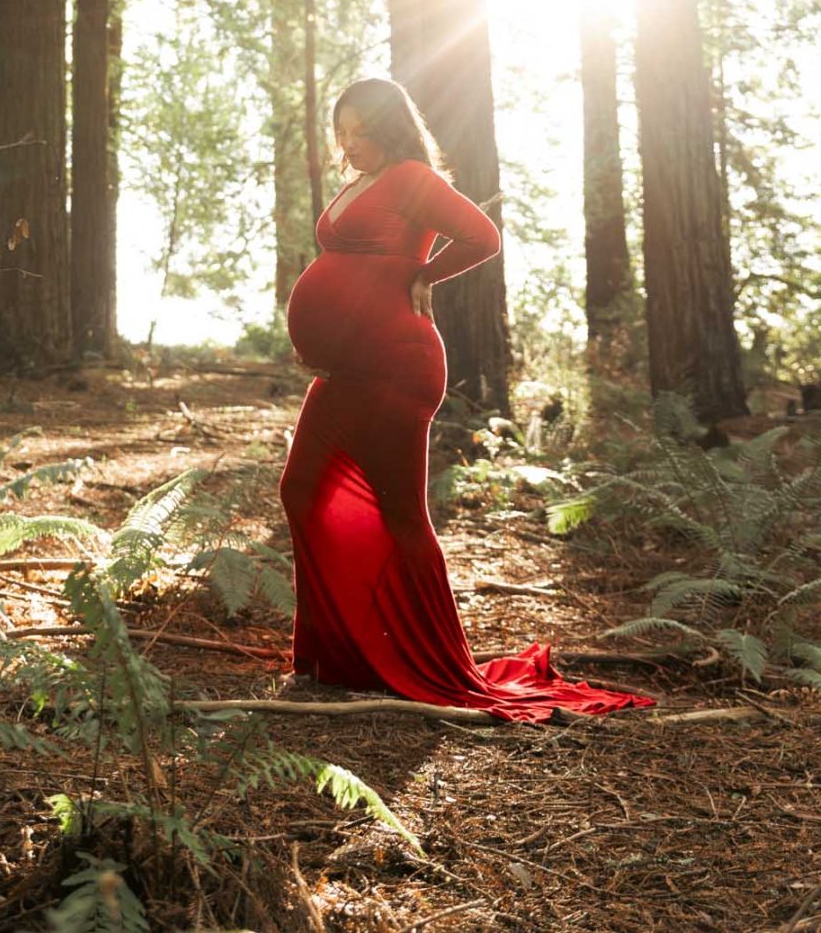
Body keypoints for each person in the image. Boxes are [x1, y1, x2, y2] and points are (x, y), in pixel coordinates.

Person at [279, 76, 654, 722]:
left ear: (390, 126)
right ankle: (330, 656)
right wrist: (318, 332)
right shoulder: (358, 183)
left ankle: (430, 660)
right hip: (346, 371)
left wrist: (425, 273)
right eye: (341, 132)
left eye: (362, 130)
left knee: (401, 514)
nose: (350, 142)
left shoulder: (413, 178)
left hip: (398, 366)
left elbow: (483, 236)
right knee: (301, 489)